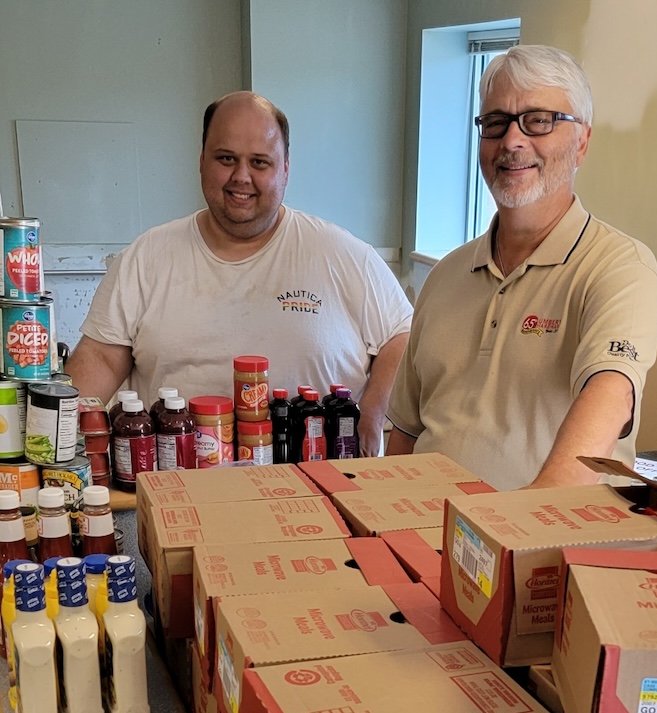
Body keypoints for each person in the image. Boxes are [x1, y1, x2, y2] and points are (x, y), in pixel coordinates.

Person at [66, 91, 412, 456]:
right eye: (226, 158)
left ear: (286, 168)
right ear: (201, 161)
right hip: (180, 492)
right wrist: (51, 435)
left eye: (260, 162)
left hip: (317, 491)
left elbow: (402, 335)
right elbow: (101, 358)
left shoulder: (343, 255)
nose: (241, 177)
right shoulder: (146, 257)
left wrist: (373, 414)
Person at [386, 45, 657, 489]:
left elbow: (610, 395)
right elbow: (405, 433)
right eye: (496, 122)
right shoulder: (445, 277)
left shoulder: (619, 268)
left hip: (543, 548)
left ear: (582, 143)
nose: (512, 141)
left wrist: (520, 526)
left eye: (539, 120)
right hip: (427, 542)